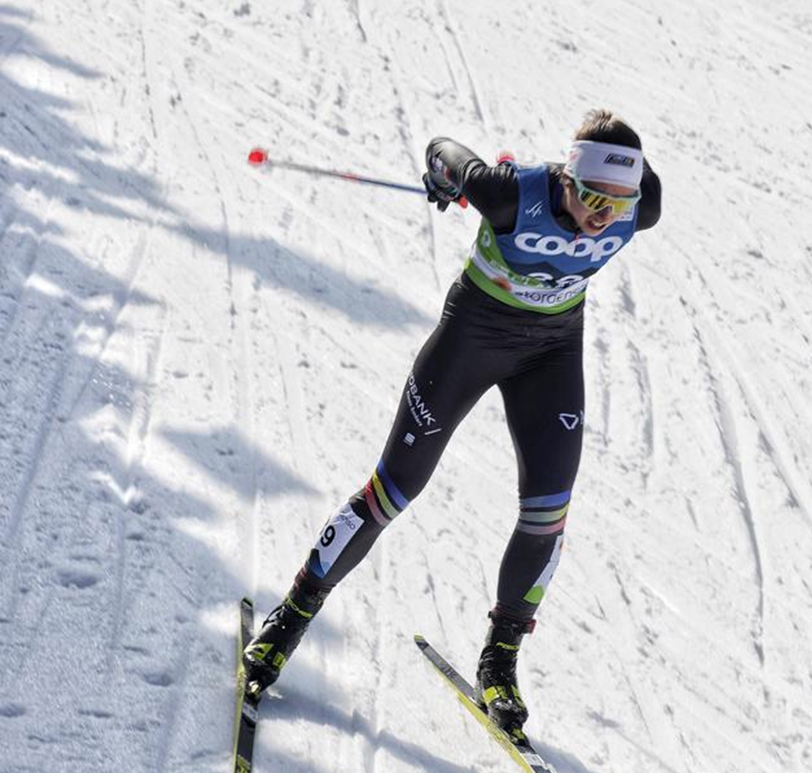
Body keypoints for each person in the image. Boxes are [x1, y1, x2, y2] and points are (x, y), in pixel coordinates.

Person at [242, 110, 662, 734]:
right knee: (394, 491)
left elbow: (628, 182)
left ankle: (501, 659)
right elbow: (443, 148)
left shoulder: (640, 203)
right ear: (567, 180)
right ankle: (292, 616)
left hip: (551, 354)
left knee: (548, 510)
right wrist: (448, 177)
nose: (605, 215)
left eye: (618, 202)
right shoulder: (509, 194)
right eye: (594, 196)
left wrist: (619, 183)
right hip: (472, 341)